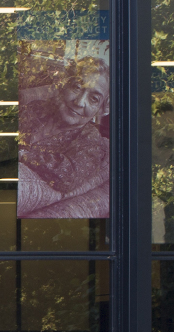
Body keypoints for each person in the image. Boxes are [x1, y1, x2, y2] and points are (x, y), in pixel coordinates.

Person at [18, 46, 110, 219]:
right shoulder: (36, 109)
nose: (80, 102)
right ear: (63, 86)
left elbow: (68, 175)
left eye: (93, 99)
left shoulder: (90, 140)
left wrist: (23, 154)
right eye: (76, 87)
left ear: (101, 109)